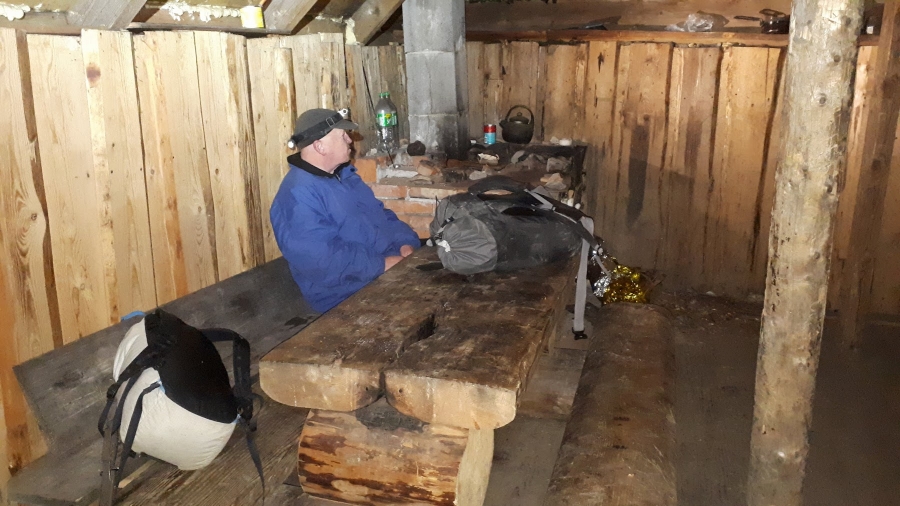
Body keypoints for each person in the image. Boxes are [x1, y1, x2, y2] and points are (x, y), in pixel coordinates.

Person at [270, 108, 420, 313]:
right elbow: (323, 260)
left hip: (382, 272)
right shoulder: (296, 196)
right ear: (320, 146)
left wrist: (405, 243)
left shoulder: (344, 176)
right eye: (342, 135)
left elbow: (381, 216)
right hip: (347, 295)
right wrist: (381, 265)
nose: (350, 140)